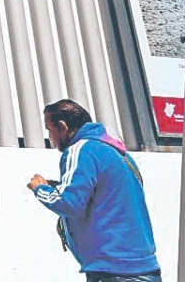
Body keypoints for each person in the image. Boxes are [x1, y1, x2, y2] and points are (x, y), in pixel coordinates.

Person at [27, 100, 159, 281]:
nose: (51, 137)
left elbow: (69, 203)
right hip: (145, 269)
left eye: (50, 130)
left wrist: (39, 188)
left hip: (113, 271)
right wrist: (59, 186)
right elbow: (105, 197)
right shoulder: (118, 153)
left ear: (62, 127)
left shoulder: (80, 150)